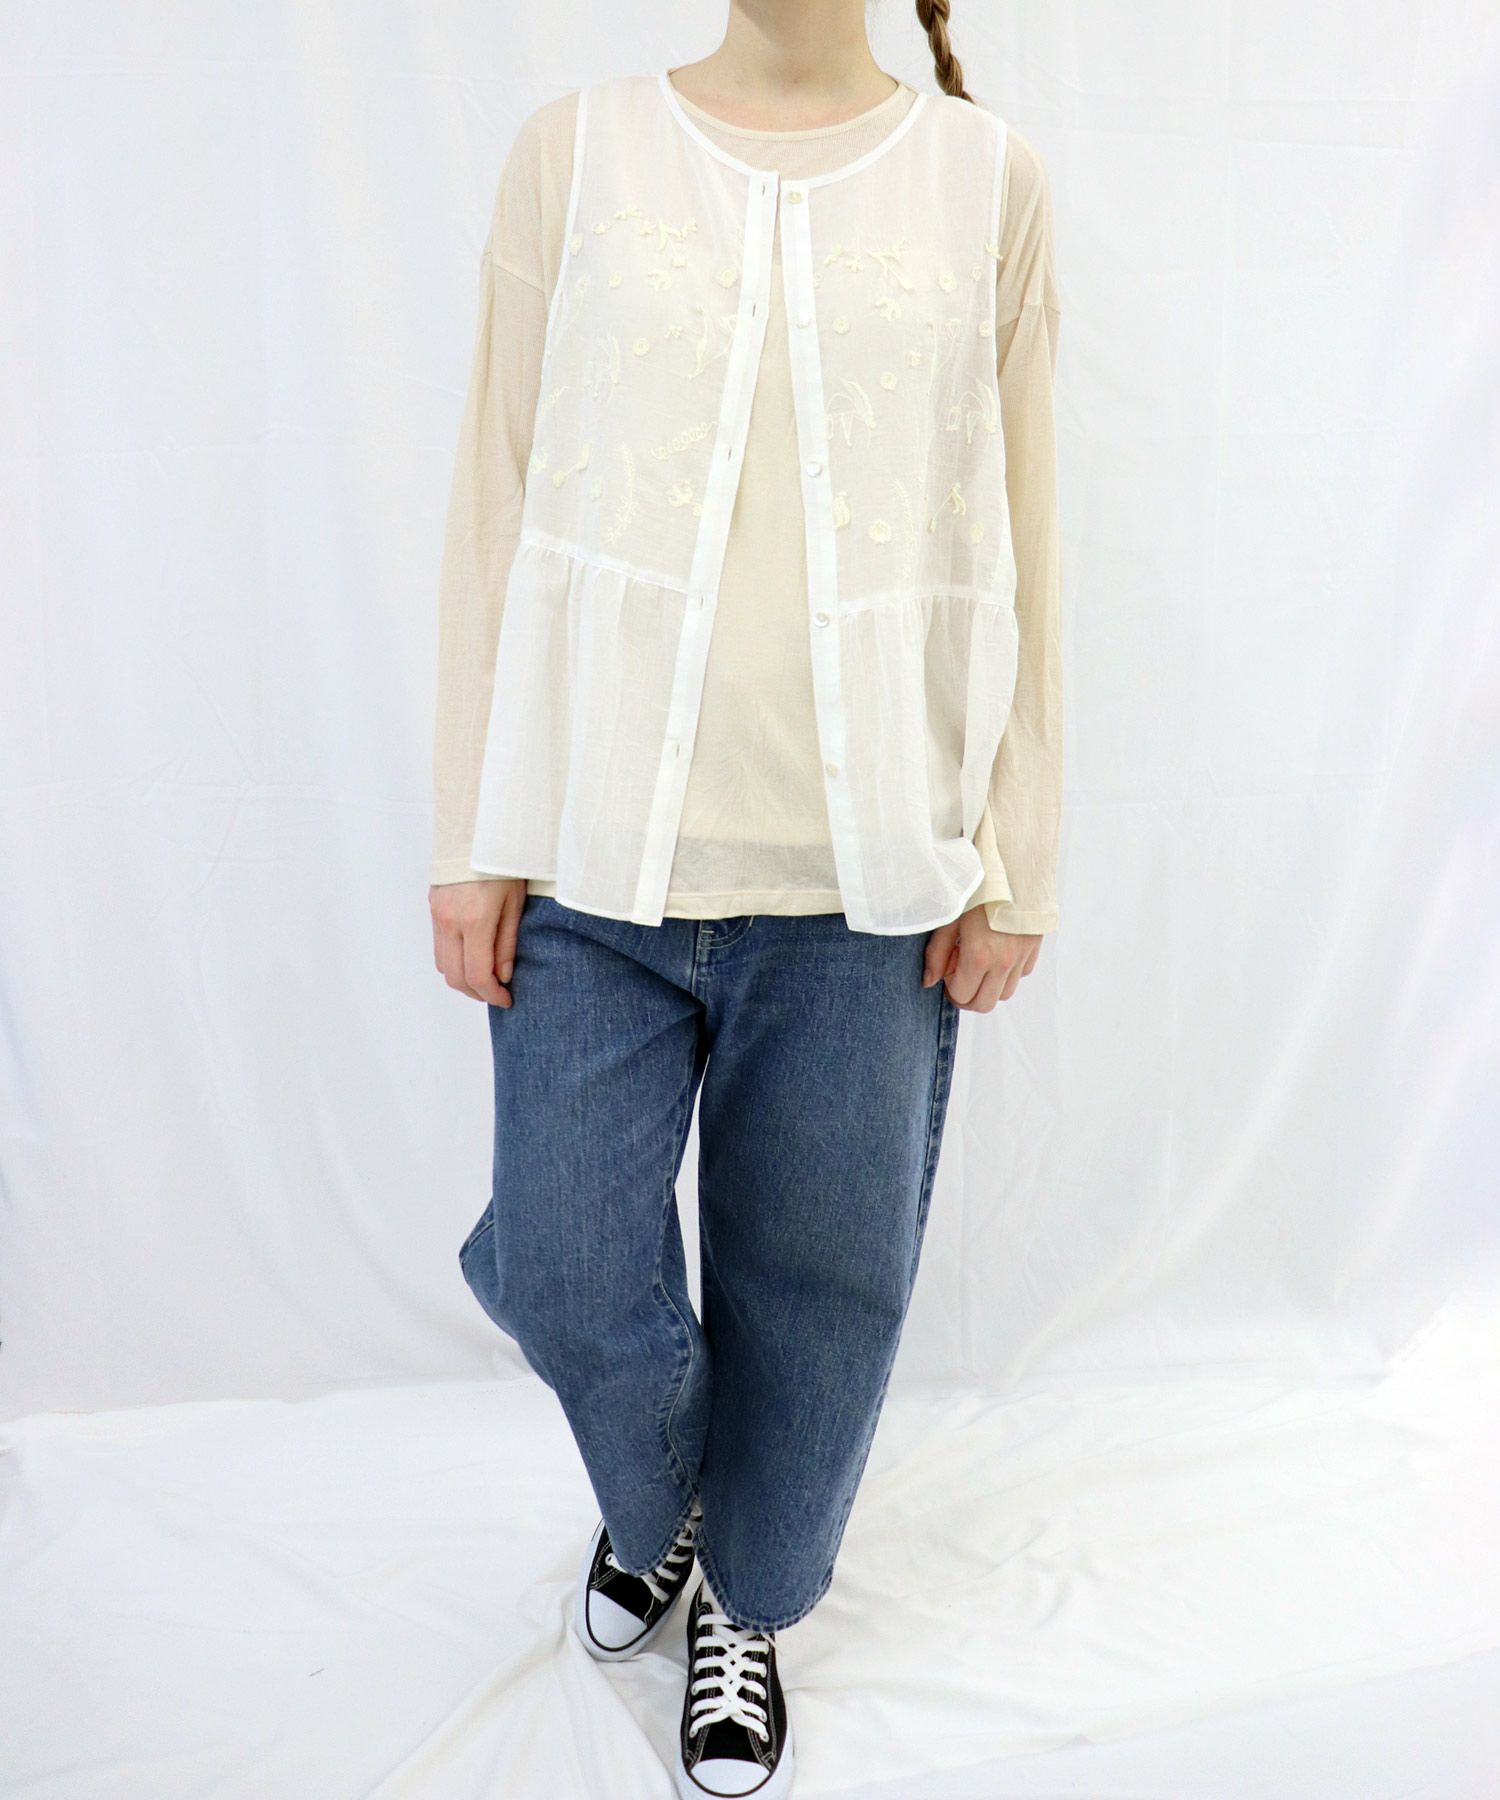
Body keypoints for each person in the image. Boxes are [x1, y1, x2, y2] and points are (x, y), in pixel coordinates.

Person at [429, 2, 1062, 1792]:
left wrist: (1018, 848)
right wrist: (470, 830)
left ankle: (746, 1601)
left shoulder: (986, 179)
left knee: (823, 1282)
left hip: (872, 874)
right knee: (562, 1260)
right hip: (592, 851)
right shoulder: (576, 152)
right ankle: (679, 1508)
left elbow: (1026, 532)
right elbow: (494, 495)